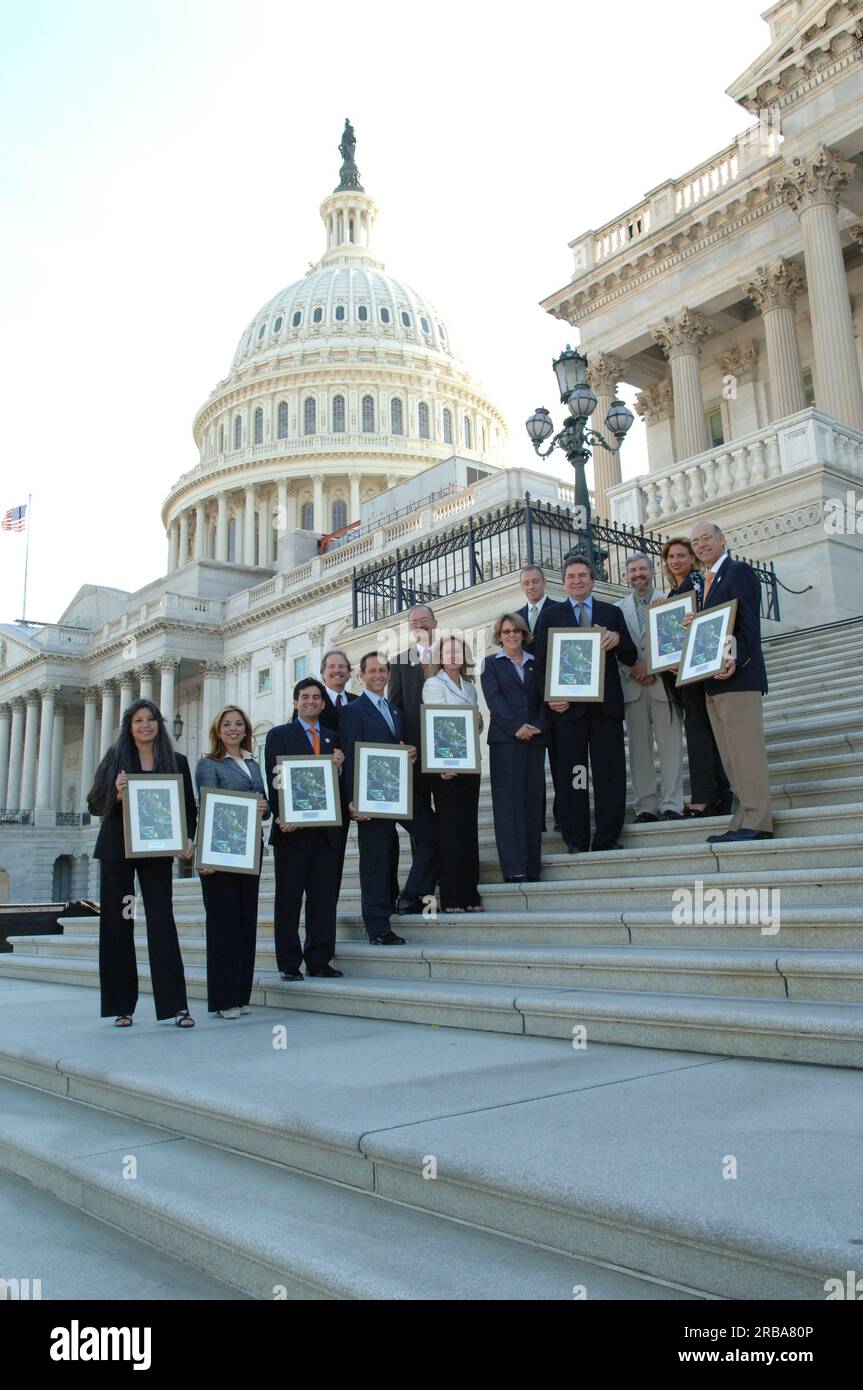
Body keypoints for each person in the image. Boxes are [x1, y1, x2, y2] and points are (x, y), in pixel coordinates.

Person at [88, 698, 197, 1028]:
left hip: (156, 853)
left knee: (162, 922)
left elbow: (188, 808)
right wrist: (118, 794)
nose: (145, 725)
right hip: (118, 853)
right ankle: (122, 1006)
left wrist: (187, 838)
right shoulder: (116, 758)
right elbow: (95, 803)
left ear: (159, 724)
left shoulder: (176, 761)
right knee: (120, 922)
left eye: (151, 719)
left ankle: (175, 1006)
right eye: (138, 720)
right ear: (129, 726)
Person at [534, 557, 637, 853]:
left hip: (605, 711)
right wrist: (549, 696)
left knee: (609, 775)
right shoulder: (551, 616)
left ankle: (606, 837)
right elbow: (540, 665)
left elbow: (630, 656)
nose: (576, 581)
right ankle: (576, 838)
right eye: (571, 576)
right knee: (574, 777)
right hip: (568, 713)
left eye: (582, 576)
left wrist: (617, 638)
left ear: (592, 580)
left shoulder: (611, 612)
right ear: (564, 582)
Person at [341, 651, 437, 944]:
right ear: (362, 674)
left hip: (398, 792)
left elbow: (394, 745)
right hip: (370, 798)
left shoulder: (393, 710)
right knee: (376, 861)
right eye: (373, 671)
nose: (379, 675)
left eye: (383, 670)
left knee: (433, 834)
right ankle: (377, 927)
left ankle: (410, 895)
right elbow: (349, 756)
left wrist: (409, 751)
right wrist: (352, 801)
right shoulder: (353, 711)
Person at [688, 521, 772, 843]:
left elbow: (746, 624)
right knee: (730, 755)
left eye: (706, 538)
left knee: (745, 752)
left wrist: (734, 657)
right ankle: (743, 817)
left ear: (722, 539)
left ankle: (758, 819)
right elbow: (718, 625)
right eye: (696, 541)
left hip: (739, 676)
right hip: (715, 680)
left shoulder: (738, 572)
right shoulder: (707, 582)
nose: (701, 545)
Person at [265, 678, 345, 979]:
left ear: (324, 704)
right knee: (289, 899)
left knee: (323, 899)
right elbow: (275, 779)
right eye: (304, 697)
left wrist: (338, 766)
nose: (311, 701)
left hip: (326, 833)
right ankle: (288, 962)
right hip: (292, 831)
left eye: (316, 697)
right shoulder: (279, 735)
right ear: (295, 702)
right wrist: (280, 812)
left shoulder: (333, 738)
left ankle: (319, 959)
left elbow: (339, 787)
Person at [195, 705, 269, 1018]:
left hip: (250, 852)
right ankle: (224, 999)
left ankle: (240, 995)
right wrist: (204, 856)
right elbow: (207, 807)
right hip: (220, 854)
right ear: (218, 730)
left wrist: (263, 806)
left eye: (239, 724)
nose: (233, 729)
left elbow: (262, 800)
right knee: (223, 927)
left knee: (244, 924)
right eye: (227, 724)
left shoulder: (252, 763)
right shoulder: (208, 764)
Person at [659, 536, 731, 817]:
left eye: (681, 555)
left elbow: (703, 621)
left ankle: (706, 796)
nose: (676, 561)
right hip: (681, 673)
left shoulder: (697, 582)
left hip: (698, 669)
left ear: (692, 558)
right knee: (700, 729)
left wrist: (685, 658)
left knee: (701, 731)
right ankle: (716, 793)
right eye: (671, 557)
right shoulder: (672, 594)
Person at [617, 553, 685, 822]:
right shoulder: (617, 609)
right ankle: (646, 806)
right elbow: (614, 650)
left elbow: (679, 642)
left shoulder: (671, 602)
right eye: (632, 570)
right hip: (632, 687)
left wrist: (653, 667)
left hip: (664, 685)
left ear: (652, 572)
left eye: (643, 569)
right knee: (639, 750)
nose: (638, 574)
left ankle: (672, 802)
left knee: (671, 746)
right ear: (626, 576)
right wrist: (632, 668)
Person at [480, 613, 546, 882]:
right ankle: (514, 867)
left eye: (516, 630)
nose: (511, 635)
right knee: (508, 806)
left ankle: (532, 866)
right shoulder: (490, 664)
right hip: (505, 741)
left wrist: (538, 724)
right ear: (499, 636)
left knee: (532, 802)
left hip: (534, 738)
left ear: (523, 633)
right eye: (506, 631)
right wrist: (516, 726)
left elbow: (545, 696)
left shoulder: (535, 663)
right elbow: (494, 700)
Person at [386, 604, 439, 913]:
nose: (420, 625)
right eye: (414, 622)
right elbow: (395, 707)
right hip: (415, 758)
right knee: (422, 827)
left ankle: (434, 879)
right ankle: (422, 887)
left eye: (425, 620)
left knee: (444, 822)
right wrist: (400, 744)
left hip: (447, 757)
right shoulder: (399, 662)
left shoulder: (451, 655)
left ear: (435, 622)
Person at [422, 636, 483, 911]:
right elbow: (436, 721)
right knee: (449, 829)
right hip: (446, 765)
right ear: (440, 657)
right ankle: (452, 896)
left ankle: (471, 894)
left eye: (458, 651)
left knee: (468, 827)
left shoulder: (471, 687)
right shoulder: (433, 684)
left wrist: (479, 722)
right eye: (448, 651)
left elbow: (474, 725)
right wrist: (443, 763)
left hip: (470, 763)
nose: (454, 655)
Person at [516, 564, 558, 830]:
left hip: (556, 697)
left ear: (544, 583)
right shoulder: (516, 618)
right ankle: (537, 820)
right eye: (526, 583)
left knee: (560, 761)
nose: (531, 587)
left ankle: (562, 815)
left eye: (535, 582)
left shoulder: (559, 609)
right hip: (528, 702)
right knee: (531, 767)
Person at [316, 648, 359, 888]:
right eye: (331, 667)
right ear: (323, 674)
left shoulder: (357, 702)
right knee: (330, 858)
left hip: (357, 786)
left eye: (342, 666)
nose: (337, 670)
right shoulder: (313, 701)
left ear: (350, 673)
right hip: (329, 790)